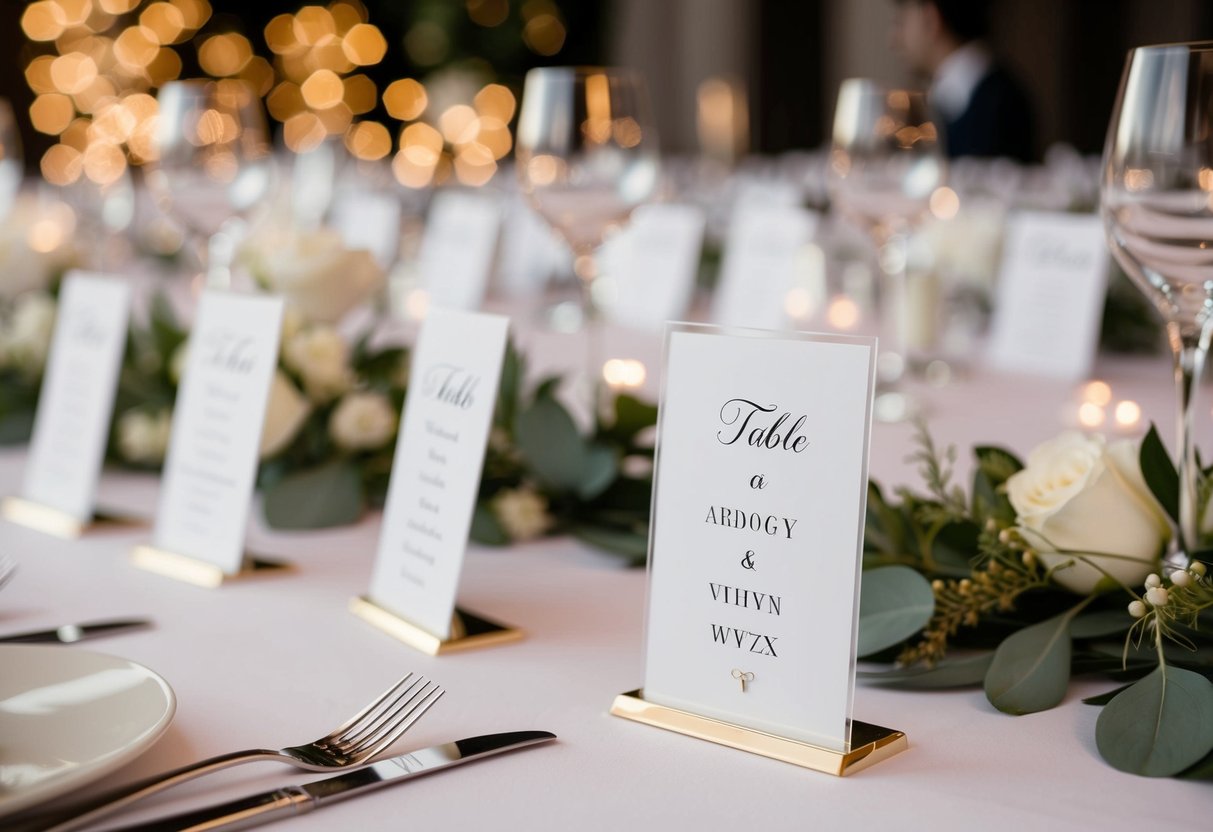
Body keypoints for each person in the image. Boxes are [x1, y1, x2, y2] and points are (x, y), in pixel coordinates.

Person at [891, 0, 1035, 162]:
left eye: (900, 22)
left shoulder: (1000, 101)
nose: (894, 40)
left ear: (930, 18)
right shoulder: (948, 97)